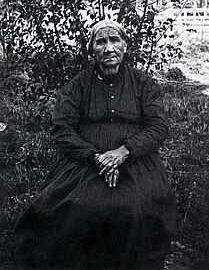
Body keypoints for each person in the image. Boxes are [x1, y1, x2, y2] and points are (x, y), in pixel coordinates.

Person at [15, 20, 177, 270]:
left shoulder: (143, 83)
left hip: (135, 160)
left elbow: (158, 126)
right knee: (76, 206)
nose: (109, 48)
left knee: (136, 207)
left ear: (125, 45)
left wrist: (124, 152)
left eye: (115, 40)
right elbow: (62, 128)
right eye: (101, 42)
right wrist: (96, 157)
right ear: (91, 50)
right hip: (85, 161)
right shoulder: (78, 85)